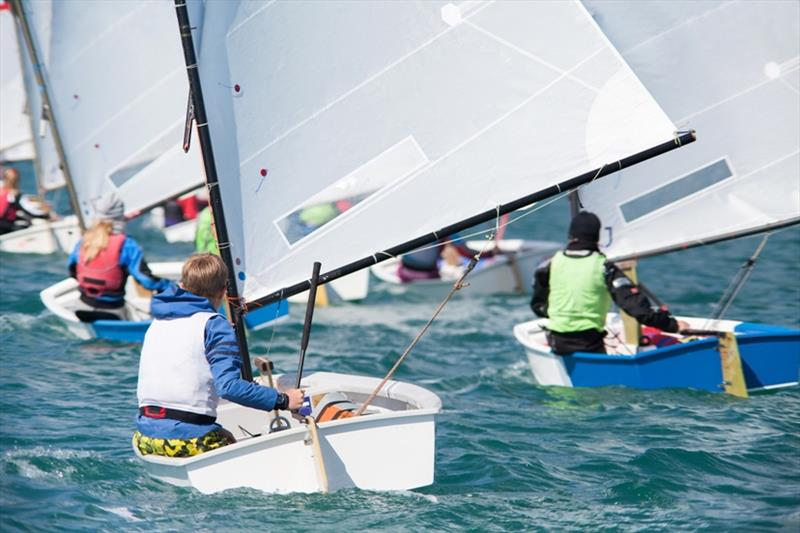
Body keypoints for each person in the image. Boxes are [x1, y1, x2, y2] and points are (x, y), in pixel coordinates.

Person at [133, 253, 304, 458]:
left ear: (183, 285)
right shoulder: (215, 326)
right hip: (187, 441)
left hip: (144, 438)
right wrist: (284, 400)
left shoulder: (157, 322)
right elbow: (229, 388)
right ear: (224, 291)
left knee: (224, 434)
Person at [531, 211, 689, 355]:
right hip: (589, 343)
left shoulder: (551, 264)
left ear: (571, 235)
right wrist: (673, 326)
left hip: (557, 342)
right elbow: (639, 310)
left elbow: (538, 306)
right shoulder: (604, 268)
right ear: (597, 238)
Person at [68, 192, 171, 321]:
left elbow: (72, 270)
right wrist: (168, 285)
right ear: (120, 215)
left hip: (82, 307)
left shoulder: (84, 241)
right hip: (112, 311)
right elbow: (146, 280)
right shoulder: (127, 245)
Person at [397, 237, 477, 282]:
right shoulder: (443, 223)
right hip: (428, 276)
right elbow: (462, 250)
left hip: (404, 273)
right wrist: (486, 255)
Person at [0, 167, 51, 235]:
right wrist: (46, 215)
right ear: (17, 180)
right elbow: (31, 212)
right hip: (6, 227)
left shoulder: (5, 193)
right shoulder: (14, 195)